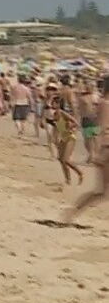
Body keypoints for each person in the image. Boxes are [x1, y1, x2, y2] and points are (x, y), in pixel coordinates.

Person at [60, 75, 109, 223]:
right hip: (107, 149)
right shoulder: (105, 104)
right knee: (103, 193)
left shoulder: (103, 102)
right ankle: (72, 213)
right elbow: (103, 128)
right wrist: (99, 153)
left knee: (102, 192)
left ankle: (72, 212)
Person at [52, 95, 83, 185]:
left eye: (54, 102)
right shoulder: (55, 114)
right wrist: (55, 139)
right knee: (60, 159)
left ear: (58, 104)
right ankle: (67, 180)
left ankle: (80, 173)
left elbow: (76, 123)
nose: (52, 104)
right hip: (63, 137)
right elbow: (56, 127)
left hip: (70, 137)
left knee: (66, 160)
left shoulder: (62, 113)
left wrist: (71, 126)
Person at [78, 79, 99, 164]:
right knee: (87, 140)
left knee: (95, 138)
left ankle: (94, 156)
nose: (91, 88)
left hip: (94, 118)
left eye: (93, 86)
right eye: (90, 86)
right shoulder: (82, 98)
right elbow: (80, 110)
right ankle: (92, 155)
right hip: (86, 119)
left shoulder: (96, 96)